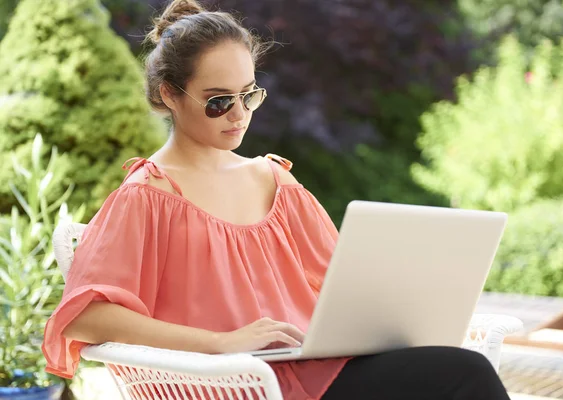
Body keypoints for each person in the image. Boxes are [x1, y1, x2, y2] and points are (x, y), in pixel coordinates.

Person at [42, 1, 511, 399]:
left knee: (461, 370)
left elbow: (341, 291)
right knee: (465, 378)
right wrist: (220, 342)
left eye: (249, 95)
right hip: (233, 383)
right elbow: (85, 317)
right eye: (218, 100)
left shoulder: (276, 181)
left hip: (315, 373)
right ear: (170, 94)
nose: (239, 114)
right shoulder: (148, 195)